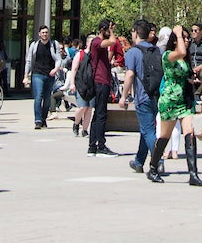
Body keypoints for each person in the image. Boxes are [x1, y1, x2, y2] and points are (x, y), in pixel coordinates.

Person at [152, 23, 202, 186]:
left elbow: (184, 72)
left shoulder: (183, 59)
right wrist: (176, 32)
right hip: (170, 100)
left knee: (190, 133)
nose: (187, 40)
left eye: (187, 37)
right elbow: (182, 51)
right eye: (183, 37)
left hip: (184, 100)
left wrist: (191, 79)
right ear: (175, 40)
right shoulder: (168, 55)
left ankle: (193, 173)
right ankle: (153, 167)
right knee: (164, 136)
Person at [120, 18, 163, 179]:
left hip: (142, 97)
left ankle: (157, 160)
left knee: (148, 130)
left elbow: (130, 74)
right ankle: (139, 161)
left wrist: (123, 97)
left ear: (136, 33)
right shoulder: (157, 51)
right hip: (156, 95)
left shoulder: (133, 52)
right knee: (146, 130)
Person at [88, 18, 118, 155]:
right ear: (102, 30)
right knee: (101, 114)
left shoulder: (100, 43)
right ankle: (100, 145)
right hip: (99, 81)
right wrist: (111, 31)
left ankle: (93, 145)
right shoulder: (96, 42)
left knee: (98, 114)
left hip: (103, 81)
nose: (110, 32)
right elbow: (112, 41)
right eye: (108, 30)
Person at [23, 24, 61, 129]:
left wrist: (55, 69)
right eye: (43, 33)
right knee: (38, 97)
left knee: (47, 98)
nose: (45, 34)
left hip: (50, 74)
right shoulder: (34, 45)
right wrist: (26, 76)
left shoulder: (54, 44)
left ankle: (44, 118)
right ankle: (38, 120)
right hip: (37, 74)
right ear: (39, 34)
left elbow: (58, 59)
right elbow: (29, 61)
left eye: (46, 32)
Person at [70, 36, 94, 138]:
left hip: (92, 85)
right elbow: (74, 69)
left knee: (89, 109)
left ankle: (85, 130)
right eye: (92, 42)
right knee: (82, 107)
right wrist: (72, 83)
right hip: (81, 85)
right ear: (87, 43)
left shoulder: (95, 55)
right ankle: (76, 123)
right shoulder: (80, 54)